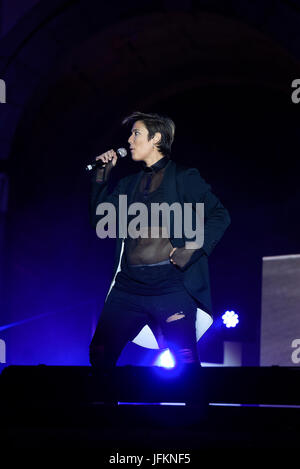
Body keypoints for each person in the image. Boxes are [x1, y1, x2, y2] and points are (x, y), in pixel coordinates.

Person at [89, 112, 230, 375]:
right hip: (128, 288)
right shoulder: (128, 184)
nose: (129, 140)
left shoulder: (184, 177)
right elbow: (101, 221)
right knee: (99, 354)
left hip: (170, 286)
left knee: (185, 362)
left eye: (136, 134)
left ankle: (196, 414)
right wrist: (101, 176)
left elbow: (220, 215)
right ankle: (108, 414)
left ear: (156, 138)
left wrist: (193, 249)